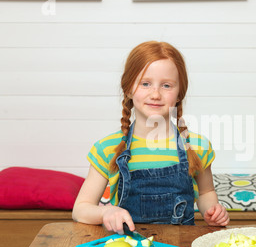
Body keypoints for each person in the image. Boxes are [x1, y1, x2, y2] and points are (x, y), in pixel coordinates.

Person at [72, 41, 229, 234]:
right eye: (145, 84)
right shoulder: (108, 148)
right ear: (129, 89)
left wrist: (212, 211)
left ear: (180, 93)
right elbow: (80, 209)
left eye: (166, 85)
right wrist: (106, 212)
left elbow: (206, 193)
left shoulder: (197, 146)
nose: (155, 94)